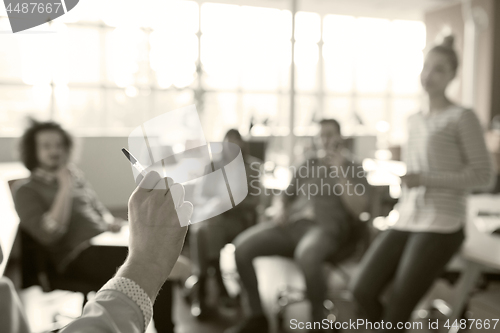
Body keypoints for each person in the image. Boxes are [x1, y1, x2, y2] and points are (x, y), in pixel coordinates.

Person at [349, 36, 495, 332]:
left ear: (453, 76)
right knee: (361, 289)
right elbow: (419, 171)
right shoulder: (413, 119)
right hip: (408, 217)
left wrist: (424, 179)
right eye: (426, 67)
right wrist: (409, 181)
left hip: (443, 223)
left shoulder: (461, 117)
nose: (429, 74)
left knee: (399, 307)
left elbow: (484, 176)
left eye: (439, 69)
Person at [13, 120, 175, 332]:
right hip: (75, 256)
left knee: (159, 255)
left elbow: (97, 209)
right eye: (46, 145)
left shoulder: (75, 176)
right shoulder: (25, 189)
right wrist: (64, 187)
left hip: (102, 242)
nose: (55, 151)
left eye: (59, 145)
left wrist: (109, 222)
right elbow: (49, 234)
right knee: (156, 263)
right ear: (33, 151)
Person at [226, 119, 371, 333]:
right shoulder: (307, 164)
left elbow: (360, 209)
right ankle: (257, 316)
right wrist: (280, 207)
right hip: (292, 226)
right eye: (321, 135)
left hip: (326, 230)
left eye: (330, 134)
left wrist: (340, 171)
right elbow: (284, 195)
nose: (325, 140)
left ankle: (317, 324)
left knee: (307, 255)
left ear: (340, 137)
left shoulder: (354, 167)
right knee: (242, 248)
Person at [188, 129, 261, 318]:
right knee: (204, 229)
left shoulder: (250, 167)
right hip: (212, 218)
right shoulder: (213, 166)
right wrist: (216, 203)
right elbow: (200, 196)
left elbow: (256, 201)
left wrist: (234, 202)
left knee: (204, 230)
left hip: (237, 220)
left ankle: (203, 284)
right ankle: (214, 281)